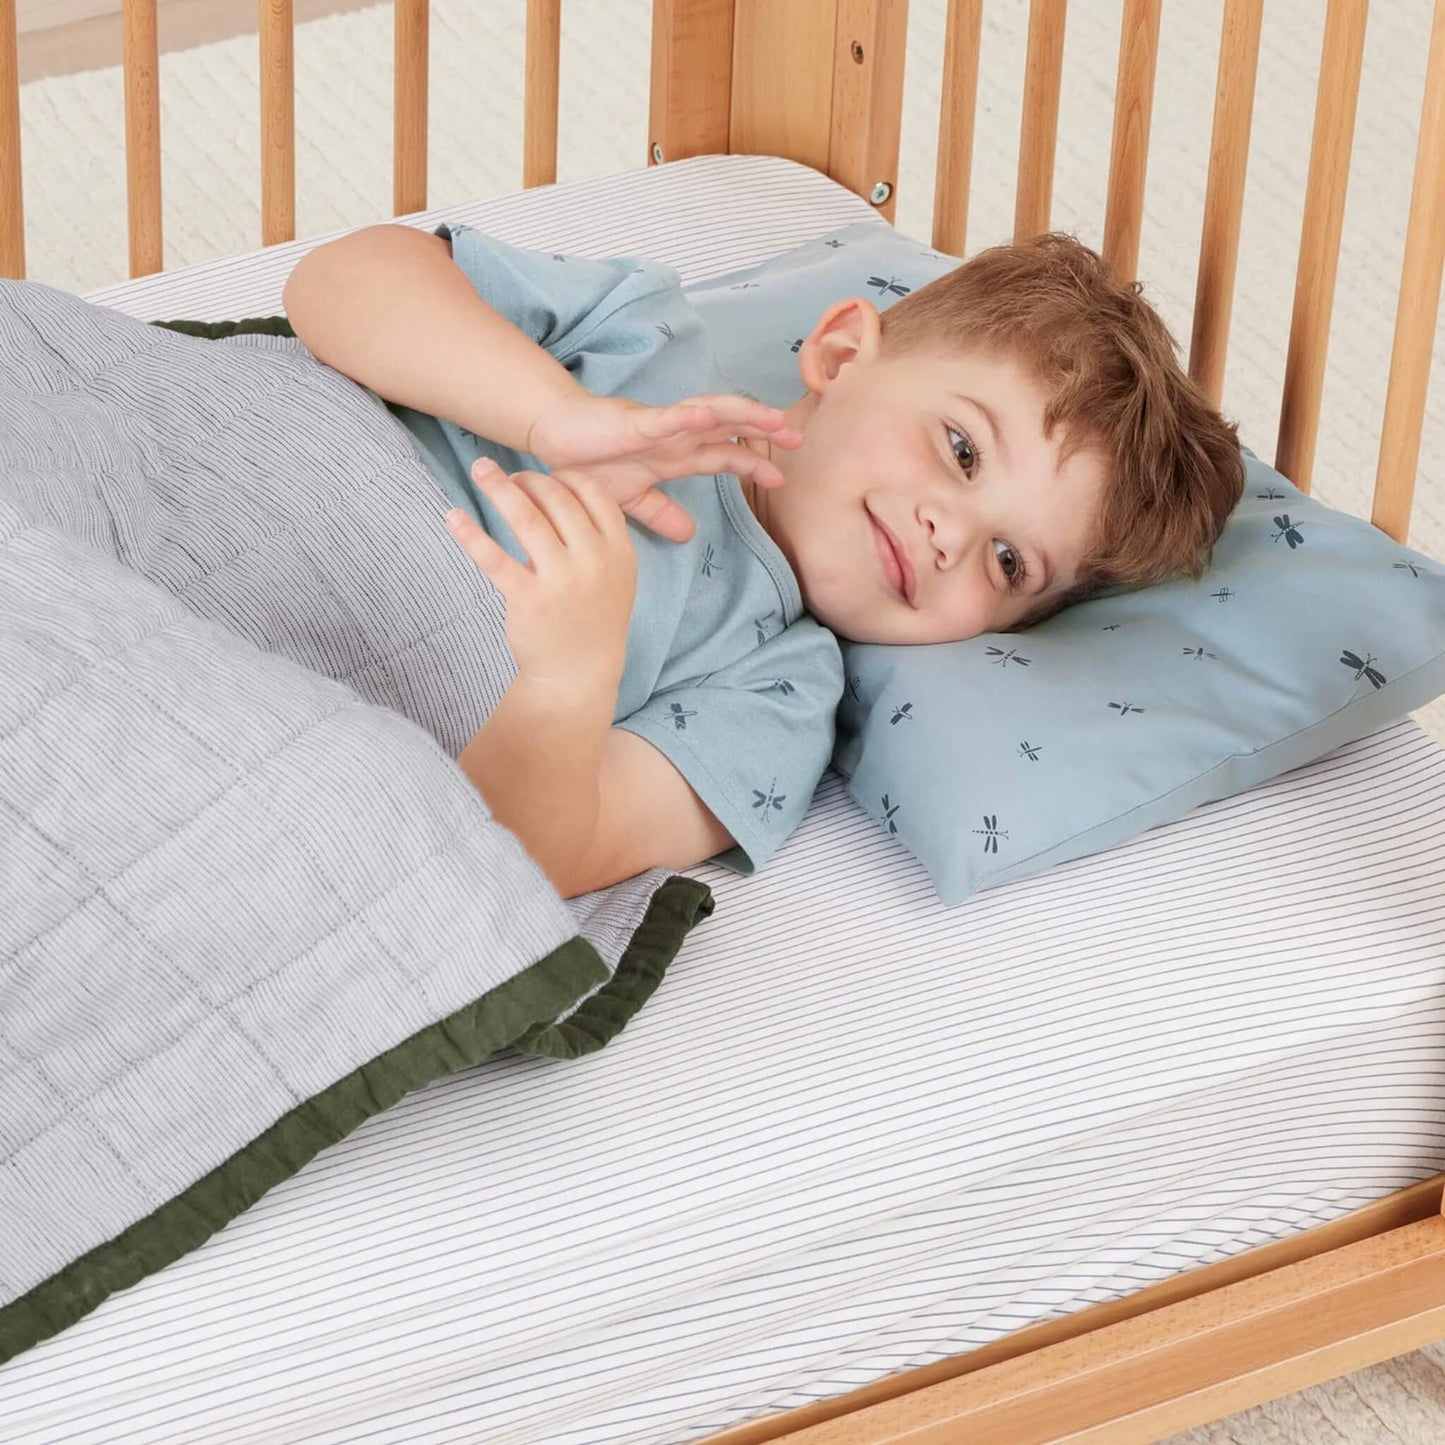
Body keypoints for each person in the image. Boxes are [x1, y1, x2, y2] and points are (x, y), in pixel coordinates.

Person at [282, 221, 1244, 900]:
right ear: (840, 354)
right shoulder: (641, 341)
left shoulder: (778, 697)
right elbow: (333, 280)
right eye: (960, 449)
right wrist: (551, 414)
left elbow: (527, 858)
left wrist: (567, 679)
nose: (948, 535)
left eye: (1006, 561)